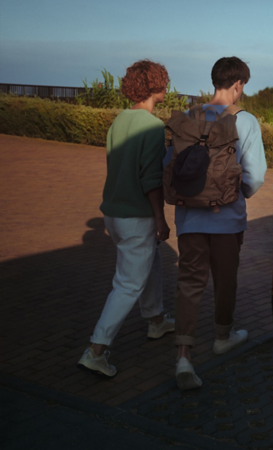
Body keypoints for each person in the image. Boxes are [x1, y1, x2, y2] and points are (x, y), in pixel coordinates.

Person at [167, 56, 266, 390]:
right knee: (225, 279)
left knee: (189, 282)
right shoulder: (245, 121)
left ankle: (183, 356)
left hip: (189, 218)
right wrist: (238, 195)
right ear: (238, 85)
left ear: (215, 81)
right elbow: (255, 176)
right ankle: (222, 337)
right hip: (226, 219)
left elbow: (171, 166)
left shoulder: (188, 118)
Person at [77, 60, 175, 377]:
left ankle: (156, 320)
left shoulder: (119, 120)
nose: (167, 86)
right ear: (156, 86)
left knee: (151, 264)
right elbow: (150, 179)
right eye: (164, 81)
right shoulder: (153, 127)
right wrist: (160, 218)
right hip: (137, 215)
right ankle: (96, 350)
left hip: (113, 214)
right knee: (127, 284)